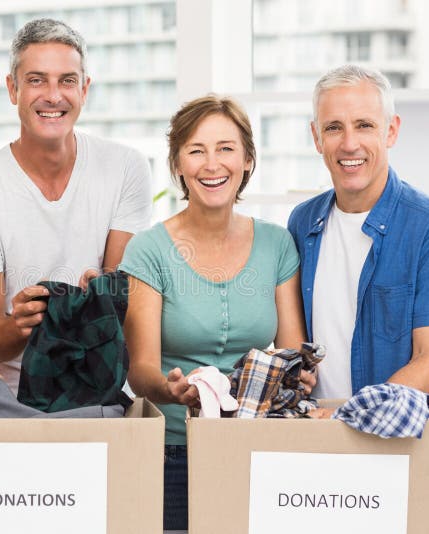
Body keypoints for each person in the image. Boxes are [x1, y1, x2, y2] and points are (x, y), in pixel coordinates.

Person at [119, 95, 312, 530]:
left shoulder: (276, 245)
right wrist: (173, 391)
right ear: (178, 165)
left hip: (255, 450)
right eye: (196, 150)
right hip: (169, 455)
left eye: (226, 148)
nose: (212, 164)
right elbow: (141, 370)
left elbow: (292, 349)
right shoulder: (149, 250)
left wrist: (300, 372)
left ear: (247, 160)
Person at [287, 65, 429, 489]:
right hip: (320, 460)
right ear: (316, 137)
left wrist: (349, 412)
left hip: (407, 462)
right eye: (334, 127)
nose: (349, 143)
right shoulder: (302, 223)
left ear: (391, 131)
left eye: (365, 125)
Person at [0, 18, 152, 393]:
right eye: (36, 80)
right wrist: (19, 324)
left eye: (67, 81)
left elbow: (123, 299)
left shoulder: (126, 168)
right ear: (13, 89)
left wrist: (106, 292)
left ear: (85, 89)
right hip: (15, 397)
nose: (54, 95)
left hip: (103, 388)